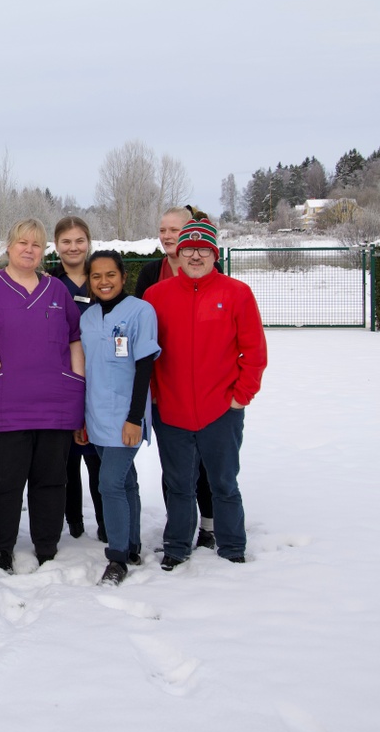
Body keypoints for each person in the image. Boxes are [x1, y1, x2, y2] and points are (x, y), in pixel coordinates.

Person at [0, 218, 85, 571]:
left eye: (36, 245)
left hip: (55, 404)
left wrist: (76, 380)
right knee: (4, 483)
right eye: (22, 243)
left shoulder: (57, 291)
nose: (29, 250)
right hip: (4, 405)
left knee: (51, 481)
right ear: (9, 247)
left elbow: (75, 339)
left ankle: (46, 545)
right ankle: (1, 547)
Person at [143, 217, 267, 569]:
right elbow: (147, 353)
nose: (195, 256)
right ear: (178, 255)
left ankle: (231, 545)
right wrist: (153, 394)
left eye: (203, 249)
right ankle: (177, 545)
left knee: (224, 483)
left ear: (214, 254)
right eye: (187, 249)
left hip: (221, 411)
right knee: (179, 484)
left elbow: (254, 351)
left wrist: (240, 397)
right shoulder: (156, 296)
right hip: (172, 410)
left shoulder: (236, 293)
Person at [136, 205, 216, 545]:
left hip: (203, 386)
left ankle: (209, 526)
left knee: (206, 464)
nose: (168, 236)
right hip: (163, 385)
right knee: (176, 465)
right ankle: (180, 527)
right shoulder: (150, 274)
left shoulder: (208, 270)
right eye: (163, 229)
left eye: (175, 230)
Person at [80, 251, 160, 585]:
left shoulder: (141, 311)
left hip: (126, 415)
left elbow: (144, 367)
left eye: (110, 274)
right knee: (125, 482)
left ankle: (117, 558)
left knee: (109, 483)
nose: (103, 282)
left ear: (123, 276)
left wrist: (134, 417)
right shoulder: (87, 317)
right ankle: (132, 545)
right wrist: (79, 418)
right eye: (96, 276)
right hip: (95, 415)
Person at [52, 215, 105, 542]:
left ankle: (107, 523)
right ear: (56, 246)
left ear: (88, 242)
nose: (73, 247)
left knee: (100, 459)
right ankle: (73, 523)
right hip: (63, 380)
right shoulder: (49, 283)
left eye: (79, 240)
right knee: (66, 459)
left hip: (101, 380)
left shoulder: (101, 278)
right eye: (66, 241)